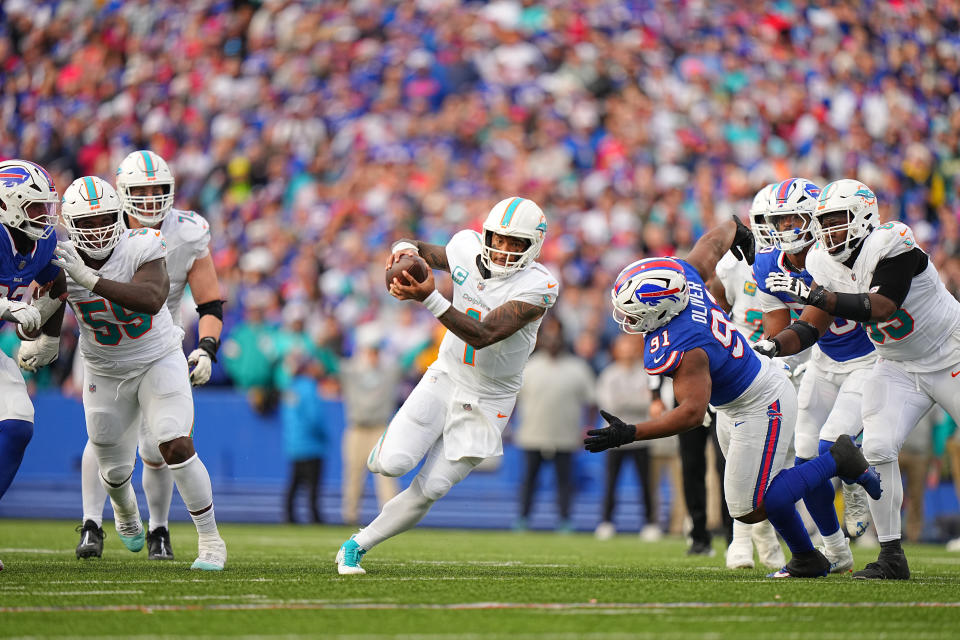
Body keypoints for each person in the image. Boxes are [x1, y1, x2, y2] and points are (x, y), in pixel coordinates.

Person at [585, 216, 881, 578]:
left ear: (661, 309)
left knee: (751, 506)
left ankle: (838, 459)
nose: (627, 319)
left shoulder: (687, 345)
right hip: (740, 397)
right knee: (755, 499)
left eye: (634, 313)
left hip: (760, 402)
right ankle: (807, 557)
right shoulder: (686, 278)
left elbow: (692, 413)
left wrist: (631, 433)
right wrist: (736, 228)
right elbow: (711, 243)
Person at [336, 196, 557, 574]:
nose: (503, 250)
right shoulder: (465, 247)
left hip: (490, 396)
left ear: (532, 247)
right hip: (447, 375)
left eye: (514, 243)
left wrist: (429, 298)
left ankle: (357, 544)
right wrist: (402, 249)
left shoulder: (540, 286)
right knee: (392, 464)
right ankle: (386, 450)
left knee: (434, 488)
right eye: (498, 239)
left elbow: (485, 334)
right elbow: (419, 249)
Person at [757, 179, 960, 579]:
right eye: (824, 220)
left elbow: (881, 306)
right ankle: (891, 557)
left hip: (950, 354)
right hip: (896, 363)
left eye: (837, 219)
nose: (829, 229)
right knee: (880, 447)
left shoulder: (893, 241)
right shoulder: (822, 264)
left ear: (863, 216)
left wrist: (815, 295)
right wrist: (774, 347)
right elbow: (811, 327)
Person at [41, 175, 226, 570]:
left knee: (173, 443)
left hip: (158, 359)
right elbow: (50, 306)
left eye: (105, 218)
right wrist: (41, 338)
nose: (98, 228)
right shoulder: (59, 259)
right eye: (87, 223)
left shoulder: (143, 244)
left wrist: (90, 279)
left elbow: (152, 298)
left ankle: (210, 541)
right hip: (104, 371)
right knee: (113, 466)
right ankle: (125, 513)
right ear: (71, 225)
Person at [752, 177, 879, 573]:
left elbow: (818, 319)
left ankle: (855, 481)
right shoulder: (767, 264)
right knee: (805, 453)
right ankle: (837, 553)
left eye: (793, 219)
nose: (787, 229)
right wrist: (771, 354)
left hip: (870, 359)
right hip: (823, 362)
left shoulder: (834, 255)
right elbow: (779, 328)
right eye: (780, 221)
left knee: (828, 448)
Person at [706, 189, 785, 570]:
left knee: (783, 460)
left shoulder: (808, 263)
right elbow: (718, 303)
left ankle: (789, 540)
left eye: (782, 222)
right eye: (768, 223)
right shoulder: (735, 264)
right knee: (735, 456)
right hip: (741, 365)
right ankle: (746, 539)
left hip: (788, 366)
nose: (774, 230)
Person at [0, 160, 66, 572]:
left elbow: (58, 284)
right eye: (37, 208)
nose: (46, 217)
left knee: (19, 421)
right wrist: (7, 307)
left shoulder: (40, 243)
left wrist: (50, 336)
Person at [514, 319, 595, 532]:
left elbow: (592, 401)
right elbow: (512, 400)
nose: (552, 340)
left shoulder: (578, 368)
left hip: (565, 436)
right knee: (529, 482)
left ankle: (565, 520)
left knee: (565, 483)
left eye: (556, 336)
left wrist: (587, 426)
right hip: (532, 435)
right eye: (548, 336)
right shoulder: (528, 367)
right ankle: (523, 518)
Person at [594, 333, 663, 541]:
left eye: (631, 346)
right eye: (623, 347)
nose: (628, 351)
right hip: (613, 437)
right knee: (611, 482)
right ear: (616, 350)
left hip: (639, 435)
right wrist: (635, 400)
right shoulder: (609, 374)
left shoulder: (646, 373)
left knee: (646, 483)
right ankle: (606, 521)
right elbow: (608, 405)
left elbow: (651, 404)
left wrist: (626, 401)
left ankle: (650, 523)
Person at [338, 324, 400, 525]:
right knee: (353, 475)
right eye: (369, 351)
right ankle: (350, 516)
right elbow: (329, 363)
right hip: (357, 428)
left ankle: (391, 518)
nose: (373, 355)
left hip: (380, 428)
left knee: (387, 475)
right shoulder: (351, 370)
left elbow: (407, 361)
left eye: (376, 351)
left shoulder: (389, 371)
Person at [281, 356, 329, 523]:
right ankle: (315, 518)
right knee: (313, 487)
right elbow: (313, 418)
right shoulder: (309, 387)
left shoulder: (291, 387)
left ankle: (289, 517)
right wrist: (324, 436)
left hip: (295, 444)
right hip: (311, 445)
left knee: (294, 484)